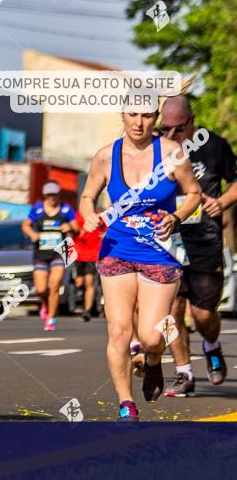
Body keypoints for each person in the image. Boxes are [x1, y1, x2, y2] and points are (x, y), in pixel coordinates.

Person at [80, 102, 201, 420]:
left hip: (160, 252)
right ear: (122, 116)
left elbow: (193, 193)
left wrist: (176, 217)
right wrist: (89, 215)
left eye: (147, 115)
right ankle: (126, 403)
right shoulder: (107, 155)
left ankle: (152, 360)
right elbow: (87, 195)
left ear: (155, 119)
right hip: (117, 249)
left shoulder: (173, 152)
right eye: (132, 114)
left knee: (150, 336)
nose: (139, 122)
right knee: (119, 330)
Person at [159, 96, 237, 397]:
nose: (171, 136)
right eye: (165, 128)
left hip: (205, 240)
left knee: (203, 315)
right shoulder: (159, 148)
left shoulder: (215, 146)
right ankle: (184, 372)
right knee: (172, 309)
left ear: (192, 121)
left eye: (177, 129)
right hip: (167, 240)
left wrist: (222, 202)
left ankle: (212, 346)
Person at [22, 181, 78, 331]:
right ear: (44, 195)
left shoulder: (66, 210)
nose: (52, 198)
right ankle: (45, 304)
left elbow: (77, 229)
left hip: (60, 253)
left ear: (59, 195)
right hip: (41, 253)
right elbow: (25, 225)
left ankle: (51, 318)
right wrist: (33, 234)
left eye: (54, 195)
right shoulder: (38, 209)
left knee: (54, 286)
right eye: (49, 195)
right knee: (41, 289)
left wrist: (69, 227)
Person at [72, 211, 105, 322]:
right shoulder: (76, 216)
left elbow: (105, 229)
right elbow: (72, 230)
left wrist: (103, 235)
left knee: (89, 282)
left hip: (92, 254)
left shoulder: (99, 215)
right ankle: (79, 301)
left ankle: (87, 310)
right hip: (78, 254)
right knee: (79, 282)